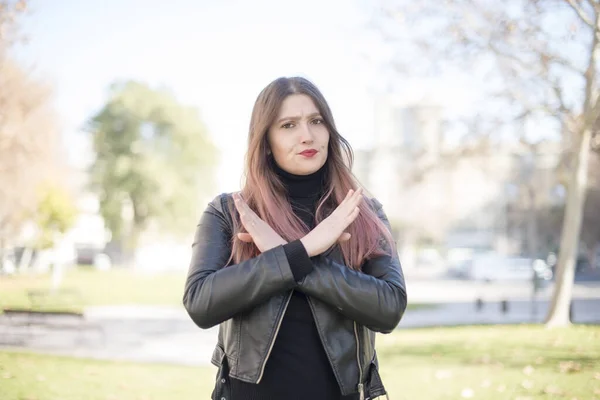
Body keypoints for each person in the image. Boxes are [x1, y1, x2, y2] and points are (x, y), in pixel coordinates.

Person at [183, 76, 407, 400]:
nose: (307, 135)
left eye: (316, 121)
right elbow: (201, 303)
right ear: (266, 141)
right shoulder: (230, 212)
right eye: (288, 125)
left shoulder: (362, 212)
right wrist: (304, 250)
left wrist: (287, 257)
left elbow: (389, 308)